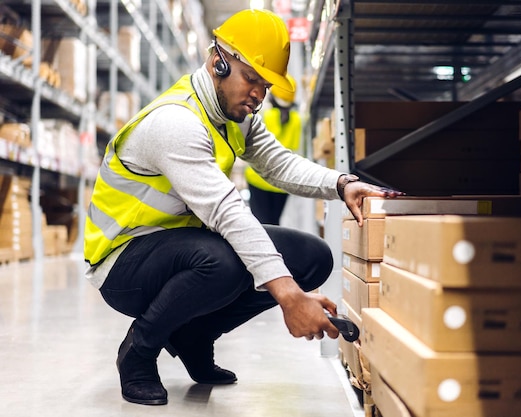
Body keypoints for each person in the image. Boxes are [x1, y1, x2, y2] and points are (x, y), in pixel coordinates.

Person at [83, 8, 403, 406]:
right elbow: (227, 212)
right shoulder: (176, 123)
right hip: (123, 262)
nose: (258, 93)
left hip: (178, 246)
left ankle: (194, 336)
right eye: (250, 78)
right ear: (217, 61)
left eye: (264, 84)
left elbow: (277, 162)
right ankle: (139, 352)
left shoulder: (235, 117)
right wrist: (289, 296)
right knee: (224, 261)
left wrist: (341, 184)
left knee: (311, 258)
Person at [245, 73, 301, 225]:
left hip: (258, 178)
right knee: (275, 224)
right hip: (281, 183)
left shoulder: (265, 115)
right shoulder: (296, 120)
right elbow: (294, 146)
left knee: (261, 225)